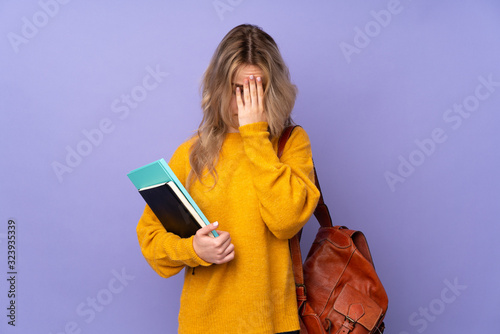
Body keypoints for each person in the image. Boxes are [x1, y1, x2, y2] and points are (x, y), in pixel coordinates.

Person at [136, 24, 320, 334]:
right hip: (204, 324)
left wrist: (255, 135)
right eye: (238, 89)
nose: (246, 102)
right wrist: (193, 251)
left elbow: (286, 220)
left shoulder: (292, 143)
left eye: (257, 88)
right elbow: (151, 239)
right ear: (219, 86)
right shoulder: (191, 153)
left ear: (272, 89)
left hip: (273, 325)